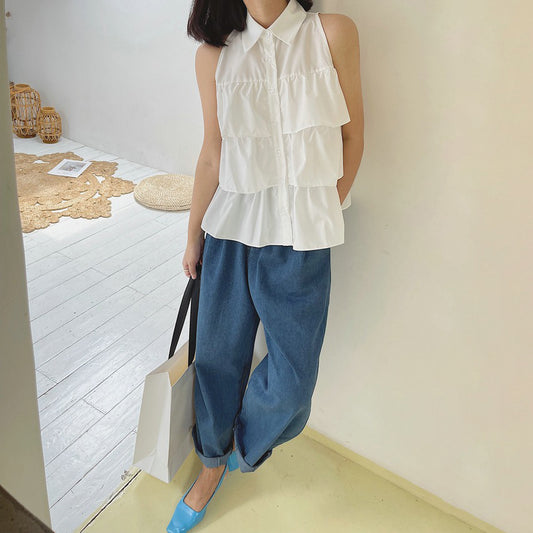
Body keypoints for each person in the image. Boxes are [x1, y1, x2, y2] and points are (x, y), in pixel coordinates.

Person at [167, 0, 364, 530]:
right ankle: (210, 467)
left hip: (300, 238)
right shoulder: (213, 56)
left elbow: (352, 138)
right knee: (216, 359)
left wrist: (316, 211)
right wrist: (192, 234)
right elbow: (213, 153)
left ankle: (243, 448)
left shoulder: (333, 33)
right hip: (229, 230)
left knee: (294, 380)